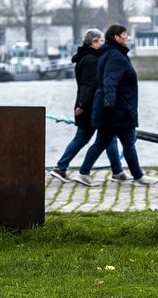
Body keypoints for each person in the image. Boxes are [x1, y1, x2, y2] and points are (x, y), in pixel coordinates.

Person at [76, 24, 155, 185]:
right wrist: (109, 105)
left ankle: (83, 172)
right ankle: (138, 176)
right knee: (128, 141)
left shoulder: (109, 53)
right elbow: (110, 82)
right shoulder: (115, 56)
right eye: (124, 34)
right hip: (117, 109)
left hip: (112, 109)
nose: (127, 37)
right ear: (116, 37)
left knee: (102, 142)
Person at [48, 28, 124, 185]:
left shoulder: (87, 57)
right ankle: (62, 168)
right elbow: (88, 84)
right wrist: (82, 105)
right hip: (90, 106)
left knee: (105, 138)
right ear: (94, 43)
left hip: (89, 104)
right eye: (102, 41)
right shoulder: (91, 60)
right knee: (93, 137)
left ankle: (117, 171)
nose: (104, 44)